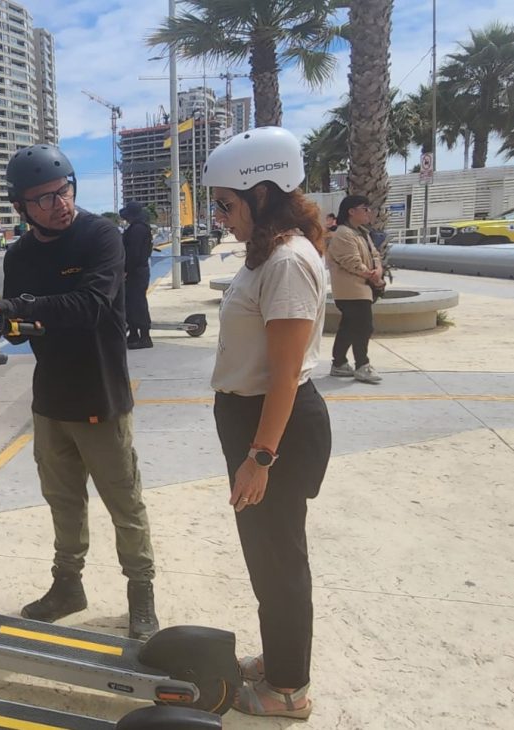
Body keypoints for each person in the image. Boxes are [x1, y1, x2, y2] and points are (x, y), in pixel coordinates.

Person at [0, 144, 158, 640]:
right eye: (45, 198)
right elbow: (18, 332)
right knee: (62, 500)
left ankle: (141, 593)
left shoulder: (100, 236)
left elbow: (91, 305)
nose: (60, 203)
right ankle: (68, 586)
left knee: (124, 502)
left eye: (64, 190)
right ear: (21, 207)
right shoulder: (20, 255)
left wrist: (20, 306)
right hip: (50, 399)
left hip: (100, 395)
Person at [204, 126, 333, 718]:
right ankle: (282, 659)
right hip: (255, 420)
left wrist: (259, 458)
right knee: (268, 554)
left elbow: (284, 375)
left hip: (272, 427)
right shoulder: (270, 252)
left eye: (226, 204)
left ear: (261, 193)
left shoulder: (286, 261)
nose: (221, 217)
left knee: (279, 560)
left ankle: (287, 690)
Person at [327, 195, 383, 384]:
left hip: (361, 288)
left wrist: (378, 270)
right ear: (351, 211)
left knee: (349, 327)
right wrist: (373, 277)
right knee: (363, 326)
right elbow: (352, 262)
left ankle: (339, 363)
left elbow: (375, 254)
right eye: (364, 208)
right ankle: (362, 365)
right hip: (351, 290)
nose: (369, 212)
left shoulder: (361, 232)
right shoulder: (343, 233)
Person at [120, 201, 153, 349]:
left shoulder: (137, 230)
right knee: (132, 303)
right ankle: (134, 334)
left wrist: (126, 270)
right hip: (139, 270)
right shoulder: (141, 228)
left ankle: (144, 336)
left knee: (137, 303)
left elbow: (133, 253)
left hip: (136, 272)